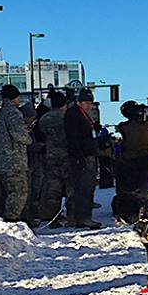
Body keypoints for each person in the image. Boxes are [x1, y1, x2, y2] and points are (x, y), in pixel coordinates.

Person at [0, 84, 32, 223]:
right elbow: (20, 135)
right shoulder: (13, 112)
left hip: (4, 161)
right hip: (14, 160)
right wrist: (28, 137)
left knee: (10, 192)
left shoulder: (2, 112)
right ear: (15, 97)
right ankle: (12, 221)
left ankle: (11, 220)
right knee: (19, 192)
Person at [64, 88, 101, 229]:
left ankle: (84, 216)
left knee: (88, 187)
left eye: (90, 102)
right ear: (80, 102)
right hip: (81, 156)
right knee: (82, 188)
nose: (89, 105)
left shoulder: (84, 115)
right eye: (87, 102)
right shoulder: (73, 114)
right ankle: (82, 217)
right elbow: (72, 136)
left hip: (88, 153)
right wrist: (79, 155)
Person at [38, 89, 75, 226]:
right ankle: (72, 217)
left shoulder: (44, 119)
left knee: (53, 189)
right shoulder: (66, 117)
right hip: (66, 155)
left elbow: (41, 132)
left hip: (51, 156)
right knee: (71, 187)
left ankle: (53, 218)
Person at [116, 101, 148, 195]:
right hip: (147, 157)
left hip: (129, 159)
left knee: (129, 186)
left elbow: (121, 141)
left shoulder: (124, 126)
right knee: (146, 185)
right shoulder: (147, 124)